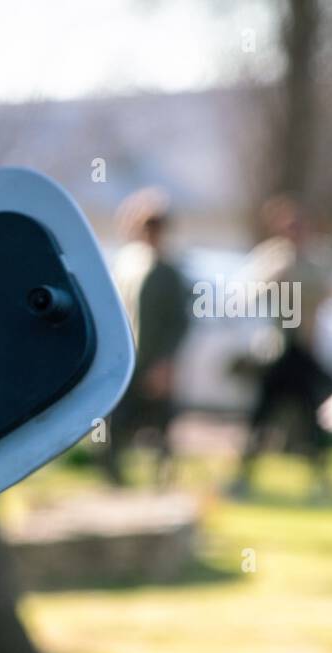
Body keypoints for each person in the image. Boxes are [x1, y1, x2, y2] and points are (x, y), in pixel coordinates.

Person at [227, 196, 332, 500]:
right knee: (262, 416)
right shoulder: (275, 259)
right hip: (281, 349)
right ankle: (242, 477)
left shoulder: (316, 260)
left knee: (311, 418)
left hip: (304, 351)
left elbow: (327, 295)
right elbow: (244, 291)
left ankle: (320, 482)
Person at [102, 188, 191, 486]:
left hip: (153, 357)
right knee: (117, 416)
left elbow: (179, 320)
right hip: (127, 355)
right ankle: (111, 471)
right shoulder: (126, 265)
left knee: (160, 420)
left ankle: (162, 476)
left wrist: (165, 361)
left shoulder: (168, 271)